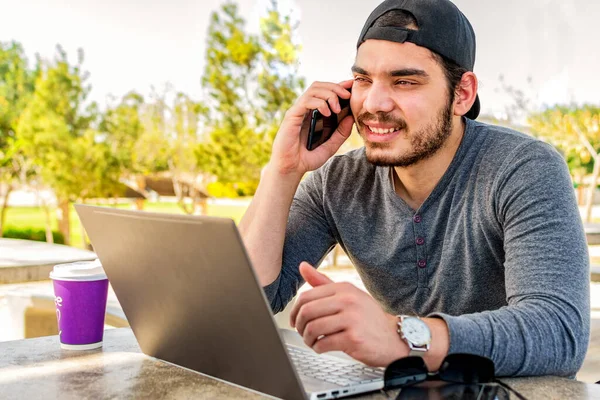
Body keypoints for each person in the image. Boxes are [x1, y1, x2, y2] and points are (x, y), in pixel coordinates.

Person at [239, 0, 590, 377]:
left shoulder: (524, 168)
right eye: (363, 79)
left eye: (404, 81)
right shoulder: (336, 183)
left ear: (462, 94)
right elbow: (248, 302)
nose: (373, 103)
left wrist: (404, 337)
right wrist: (283, 170)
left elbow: (558, 332)